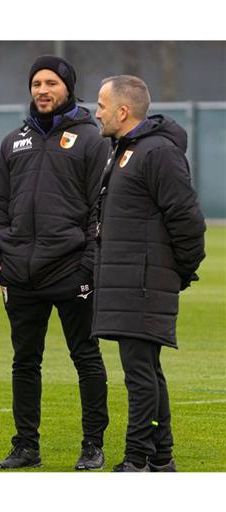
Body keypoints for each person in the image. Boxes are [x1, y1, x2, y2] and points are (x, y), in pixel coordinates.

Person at [0, 55, 111, 470]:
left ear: (68, 88)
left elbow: (100, 208)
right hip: (19, 272)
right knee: (25, 361)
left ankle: (92, 444)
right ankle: (25, 446)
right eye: (37, 83)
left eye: (51, 83)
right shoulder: (13, 141)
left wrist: (88, 264)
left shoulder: (92, 139)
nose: (42, 90)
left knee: (86, 357)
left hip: (71, 270)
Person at [94, 75, 206, 472]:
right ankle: (160, 459)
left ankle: (137, 459)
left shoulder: (157, 153)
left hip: (142, 283)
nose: (97, 113)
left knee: (140, 374)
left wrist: (180, 271)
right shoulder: (125, 150)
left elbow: (188, 219)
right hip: (129, 282)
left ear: (123, 112)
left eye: (102, 106)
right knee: (146, 371)